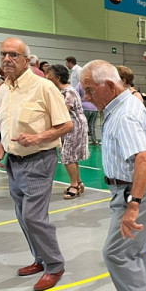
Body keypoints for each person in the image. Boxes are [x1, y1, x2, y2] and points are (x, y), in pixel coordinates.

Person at [81, 60, 146, 291]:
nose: (86, 97)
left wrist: (133, 205)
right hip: (140, 186)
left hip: (135, 189)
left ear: (108, 85)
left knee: (116, 253)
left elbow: (143, 158)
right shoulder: (122, 106)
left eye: (88, 90)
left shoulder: (125, 115)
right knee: (139, 247)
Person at [0, 37, 73, 291]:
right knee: (22, 215)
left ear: (27, 60)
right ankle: (39, 258)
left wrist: (37, 137)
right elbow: (7, 123)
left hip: (39, 160)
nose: (7, 59)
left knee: (34, 217)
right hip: (13, 161)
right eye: (3, 54)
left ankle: (54, 265)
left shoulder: (44, 87)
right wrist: (1, 145)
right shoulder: (5, 89)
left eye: (13, 55)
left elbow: (66, 124)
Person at [46, 64, 90, 199]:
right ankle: (78, 182)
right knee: (72, 156)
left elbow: (64, 110)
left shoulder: (68, 92)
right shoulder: (61, 92)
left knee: (67, 156)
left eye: (50, 75)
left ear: (58, 78)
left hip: (74, 126)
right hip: (70, 126)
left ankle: (74, 185)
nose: (47, 77)